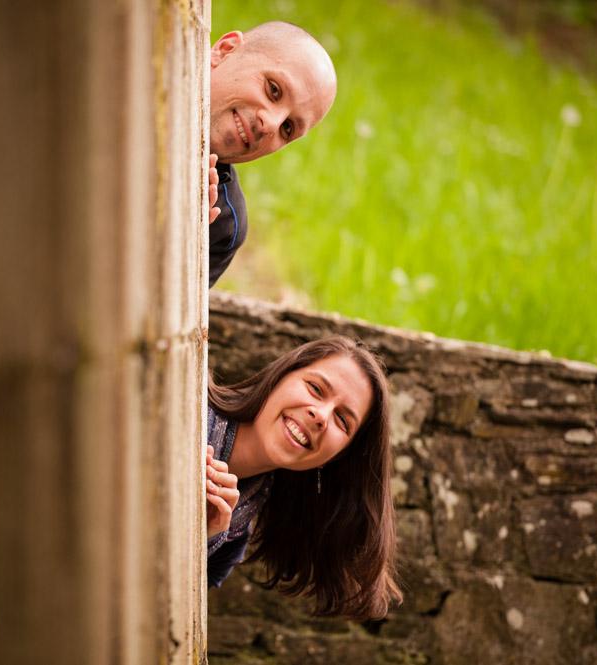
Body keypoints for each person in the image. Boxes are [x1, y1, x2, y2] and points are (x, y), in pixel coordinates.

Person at [204, 336, 402, 619]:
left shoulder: (232, 537)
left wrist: (205, 535)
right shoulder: (183, 407)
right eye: (315, 388)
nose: (321, 415)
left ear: (337, 458)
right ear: (280, 375)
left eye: (343, 421)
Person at [205, 22, 338, 287]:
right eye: (273, 90)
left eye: (288, 128)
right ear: (224, 49)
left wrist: (174, 242)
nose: (271, 124)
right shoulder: (130, 65)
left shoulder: (222, 222)